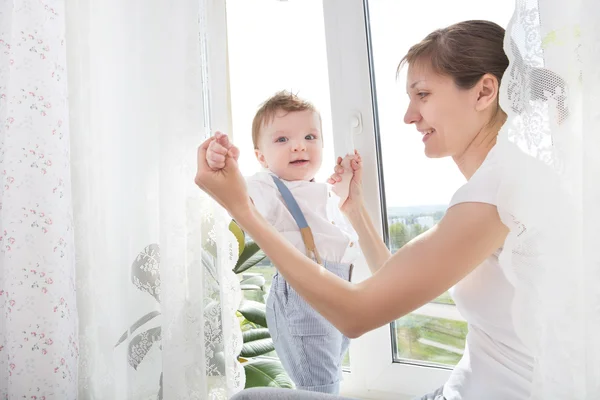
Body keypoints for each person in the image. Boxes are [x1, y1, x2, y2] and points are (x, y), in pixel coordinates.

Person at [196, 20, 534, 400]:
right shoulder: (509, 181)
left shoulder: (495, 194)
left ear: (485, 91)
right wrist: (354, 210)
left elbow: (357, 315)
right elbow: (393, 285)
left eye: (422, 94)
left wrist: (241, 209)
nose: (409, 115)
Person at [206, 91, 359, 394]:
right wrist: (223, 164)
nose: (300, 145)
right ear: (261, 157)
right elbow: (241, 198)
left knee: (327, 374)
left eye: (310, 136)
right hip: (304, 299)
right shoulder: (268, 186)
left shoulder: (319, 190)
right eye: (282, 140)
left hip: (338, 293)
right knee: (320, 385)